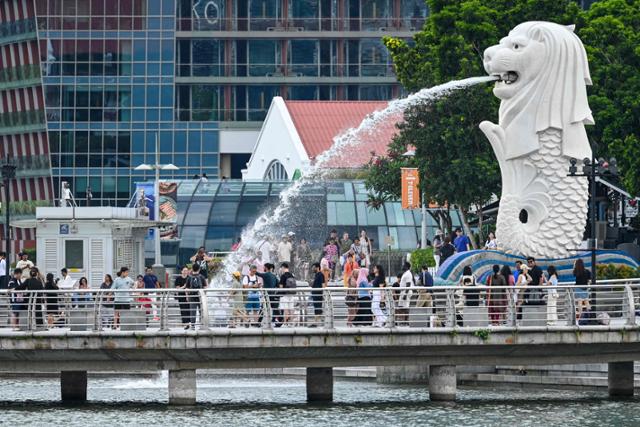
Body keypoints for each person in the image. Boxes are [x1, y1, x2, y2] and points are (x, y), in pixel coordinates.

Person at [186, 263, 206, 329]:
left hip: (192, 297)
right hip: (200, 297)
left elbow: (187, 288)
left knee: (192, 311)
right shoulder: (202, 277)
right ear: (199, 269)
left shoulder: (189, 277)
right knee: (201, 311)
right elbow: (205, 287)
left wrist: (187, 296)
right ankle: (202, 325)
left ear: (192, 269)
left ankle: (193, 326)